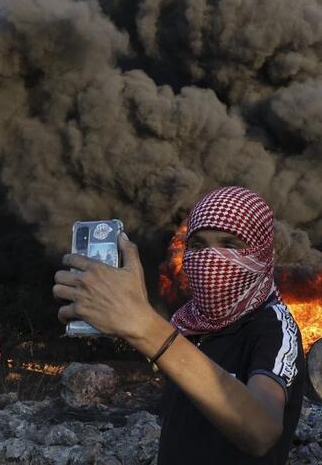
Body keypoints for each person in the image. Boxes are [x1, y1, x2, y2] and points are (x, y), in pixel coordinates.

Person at [53, 186, 305, 464]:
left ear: (263, 253)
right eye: (198, 246)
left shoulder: (273, 325)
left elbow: (261, 431)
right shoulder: (188, 323)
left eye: (230, 245)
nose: (211, 259)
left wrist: (145, 326)